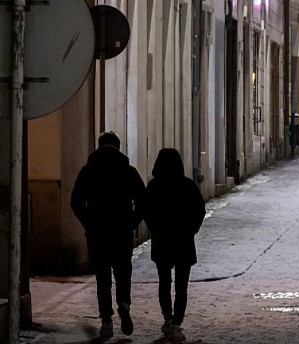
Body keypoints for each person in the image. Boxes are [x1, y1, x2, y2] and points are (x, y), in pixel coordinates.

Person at [71, 131, 146, 339]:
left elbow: (76, 201)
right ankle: (123, 303)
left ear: (99, 146)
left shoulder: (88, 171)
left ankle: (106, 321)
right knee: (123, 272)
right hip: (121, 231)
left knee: (102, 278)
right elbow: (143, 201)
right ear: (118, 147)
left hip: (97, 233)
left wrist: (88, 222)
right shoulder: (128, 171)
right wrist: (131, 222)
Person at [145, 148, 206, 343]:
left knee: (164, 283)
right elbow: (200, 210)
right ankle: (177, 323)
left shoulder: (154, 186)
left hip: (162, 240)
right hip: (183, 240)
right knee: (181, 286)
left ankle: (168, 319)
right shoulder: (188, 185)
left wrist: (155, 229)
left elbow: (147, 211)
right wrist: (191, 230)